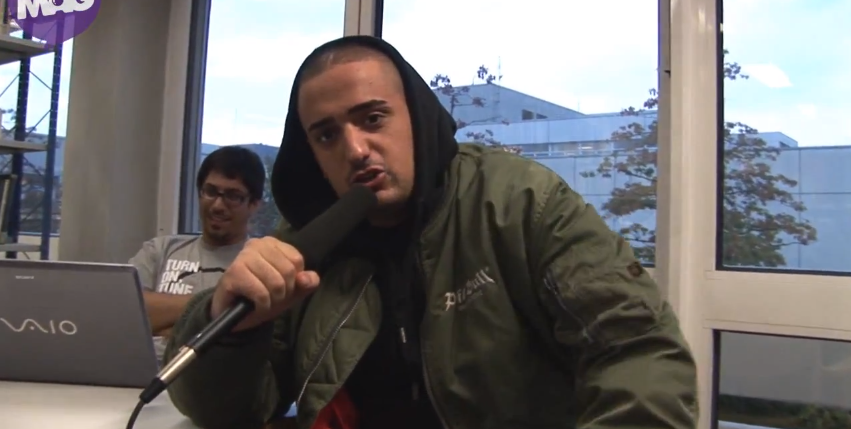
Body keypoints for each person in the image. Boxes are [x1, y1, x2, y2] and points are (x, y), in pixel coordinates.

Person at [163, 36, 698, 429]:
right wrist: (229, 324)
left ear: (416, 117)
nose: (355, 149)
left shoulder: (519, 202)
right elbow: (222, 413)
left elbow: (637, 352)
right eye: (326, 136)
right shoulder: (307, 242)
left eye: (373, 119)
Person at [130, 145, 265, 364]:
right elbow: (126, 315)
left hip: (207, 380)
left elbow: (241, 341)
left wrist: (161, 317)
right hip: (140, 373)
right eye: (210, 191)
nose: (218, 205)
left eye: (233, 196)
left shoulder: (258, 263)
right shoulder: (160, 250)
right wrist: (213, 308)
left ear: (254, 204)